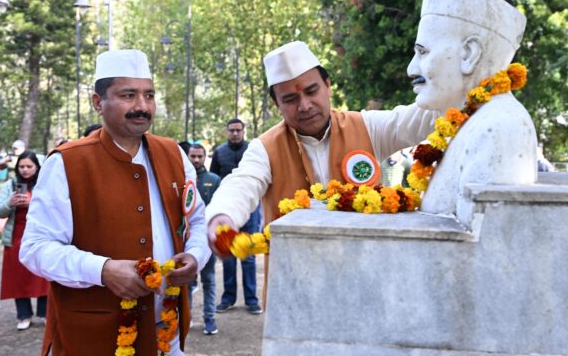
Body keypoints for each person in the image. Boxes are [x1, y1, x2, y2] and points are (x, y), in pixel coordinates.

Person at [205, 40, 440, 303]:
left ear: (327, 86)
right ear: (277, 104)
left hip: (365, 280)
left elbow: (425, 118)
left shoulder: (367, 127)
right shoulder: (265, 148)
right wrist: (221, 216)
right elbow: (242, 183)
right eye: (290, 99)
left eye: (311, 91)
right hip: (295, 288)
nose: (304, 105)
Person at [19, 49, 211, 356]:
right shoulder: (67, 162)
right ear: (98, 102)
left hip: (166, 331)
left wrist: (196, 256)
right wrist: (103, 270)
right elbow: (35, 248)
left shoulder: (173, 154)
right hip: (94, 338)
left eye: (149, 95)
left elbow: (197, 220)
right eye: (128, 95)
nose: (142, 106)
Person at [406, 0, 537, 223]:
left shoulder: (500, 128)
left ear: (469, 55)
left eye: (423, 52)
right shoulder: (467, 122)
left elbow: (490, 239)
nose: (411, 69)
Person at [210, 118, 263, 315]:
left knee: (248, 255)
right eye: (231, 130)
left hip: (250, 209)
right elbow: (214, 179)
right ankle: (228, 298)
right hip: (227, 209)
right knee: (228, 255)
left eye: (238, 130)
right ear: (227, 132)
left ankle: (251, 300)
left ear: (243, 131)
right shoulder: (219, 152)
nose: (235, 133)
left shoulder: (252, 150)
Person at [0, 151, 48, 330]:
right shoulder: (9, 185)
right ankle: (24, 315)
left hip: (40, 235)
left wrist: (32, 204)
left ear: (37, 167)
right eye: (21, 166)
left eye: (29, 166)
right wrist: (10, 203)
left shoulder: (45, 184)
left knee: (43, 275)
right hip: (16, 235)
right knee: (18, 277)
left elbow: (53, 207)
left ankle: (45, 313)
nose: (25, 170)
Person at [186, 143, 221, 335]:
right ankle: (187, 317)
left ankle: (210, 319)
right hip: (186, 241)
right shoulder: (182, 178)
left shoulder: (214, 180)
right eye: (193, 156)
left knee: (208, 281)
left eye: (200, 156)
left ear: (205, 157)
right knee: (187, 281)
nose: (196, 160)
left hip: (207, 240)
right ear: (188, 157)